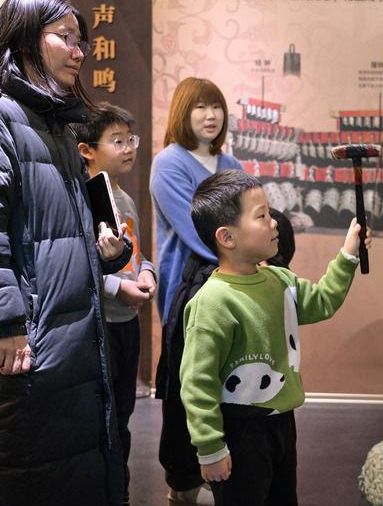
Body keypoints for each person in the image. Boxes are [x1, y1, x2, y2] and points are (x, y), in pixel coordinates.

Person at [0, 0, 132, 504]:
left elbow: (64, 233)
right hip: (30, 342)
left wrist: (108, 254)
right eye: (65, 38)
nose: (79, 51)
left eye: (81, 40)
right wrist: (5, 323)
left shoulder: (56, 124)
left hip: (70, 338)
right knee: (28, 470)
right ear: (26, 40)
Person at [180, 170, 373, 505]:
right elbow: (197, 382)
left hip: (282, 422)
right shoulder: (212, 302)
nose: (274, 224)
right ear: (227, 237)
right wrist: (210, 448)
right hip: (239, 430)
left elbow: (322, 301)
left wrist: (348, 254)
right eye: (262, 216)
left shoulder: (280, 280)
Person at [149, 76, 242, 503]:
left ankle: (215, 473)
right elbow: (197, 231)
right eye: (200, 107)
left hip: (232, 291)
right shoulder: (169, 163)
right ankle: (182, 486)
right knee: (187, 392)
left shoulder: (231, 163)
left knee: (225, 389)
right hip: (187, 295)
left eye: (216, 106)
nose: (211, 115)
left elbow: (251, 221)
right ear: (182, 113)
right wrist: (245, 254)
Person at [73, 103, 157, 505]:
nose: (128, 148)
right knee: (102, 419)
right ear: (87, 150)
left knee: (123, 414)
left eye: (130, 140)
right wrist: (117, 289)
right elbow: (79, 266)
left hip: (127, 321)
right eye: (117, 141)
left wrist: (147, 274)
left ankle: (119, 492)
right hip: (102, 321)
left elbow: (136, 254)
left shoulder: (122, 197)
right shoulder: (84, 199)